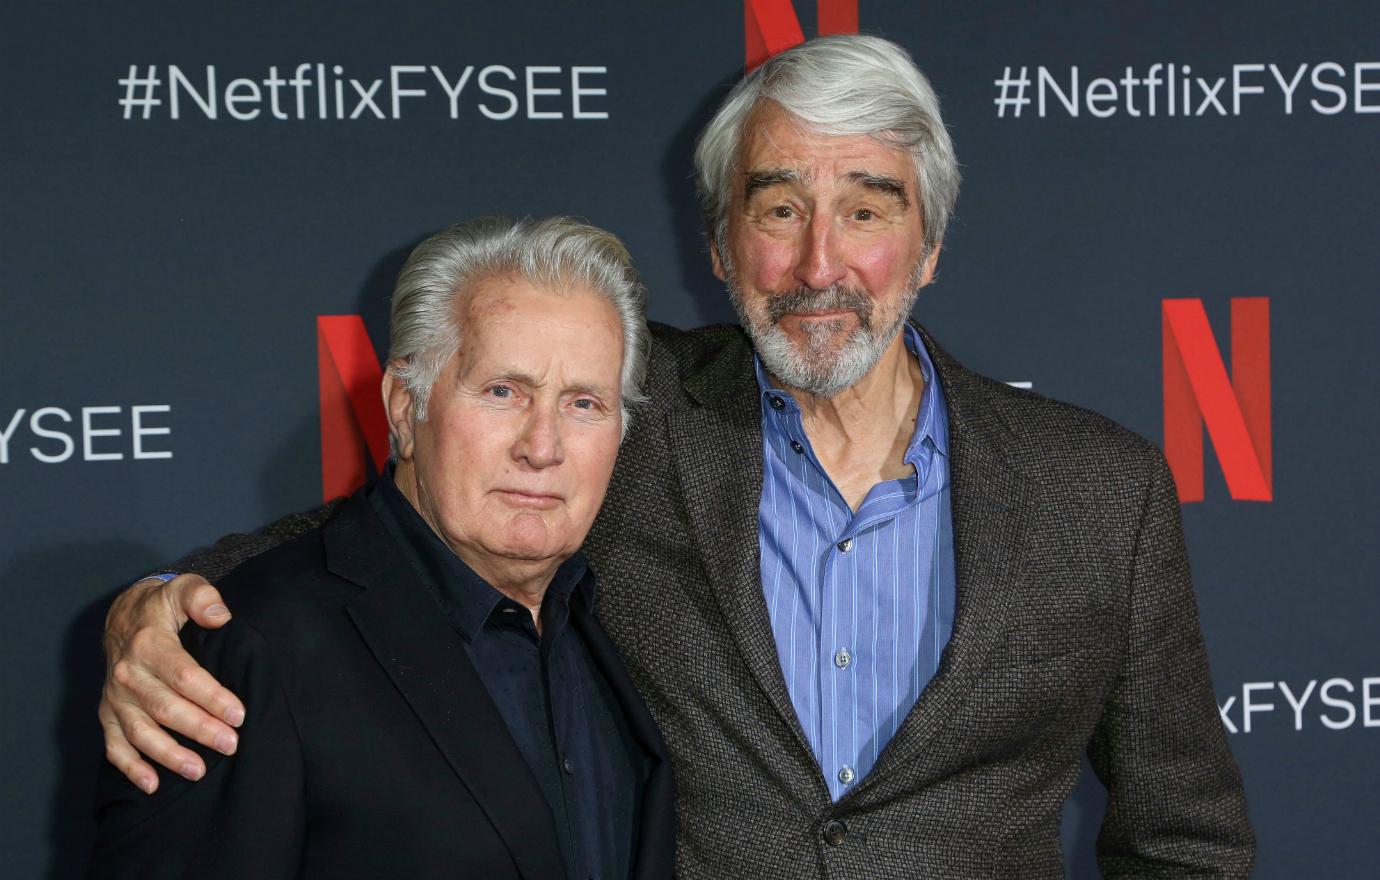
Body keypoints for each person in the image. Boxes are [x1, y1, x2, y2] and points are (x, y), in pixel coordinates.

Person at [97, 35, 1253, 878]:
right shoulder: (625, 414)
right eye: (777, 206)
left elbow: (1184, 840)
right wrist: (162, 608)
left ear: (929, 245)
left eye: (867, 208)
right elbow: (391, 531)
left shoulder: (1102, 491)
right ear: (719, 245)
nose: (819, 263)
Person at [89, 217, 675, 879]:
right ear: (404, 406)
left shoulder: (613, 625)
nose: (542, 446)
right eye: (503, 391)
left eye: (584, 403)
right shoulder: (248, 653)